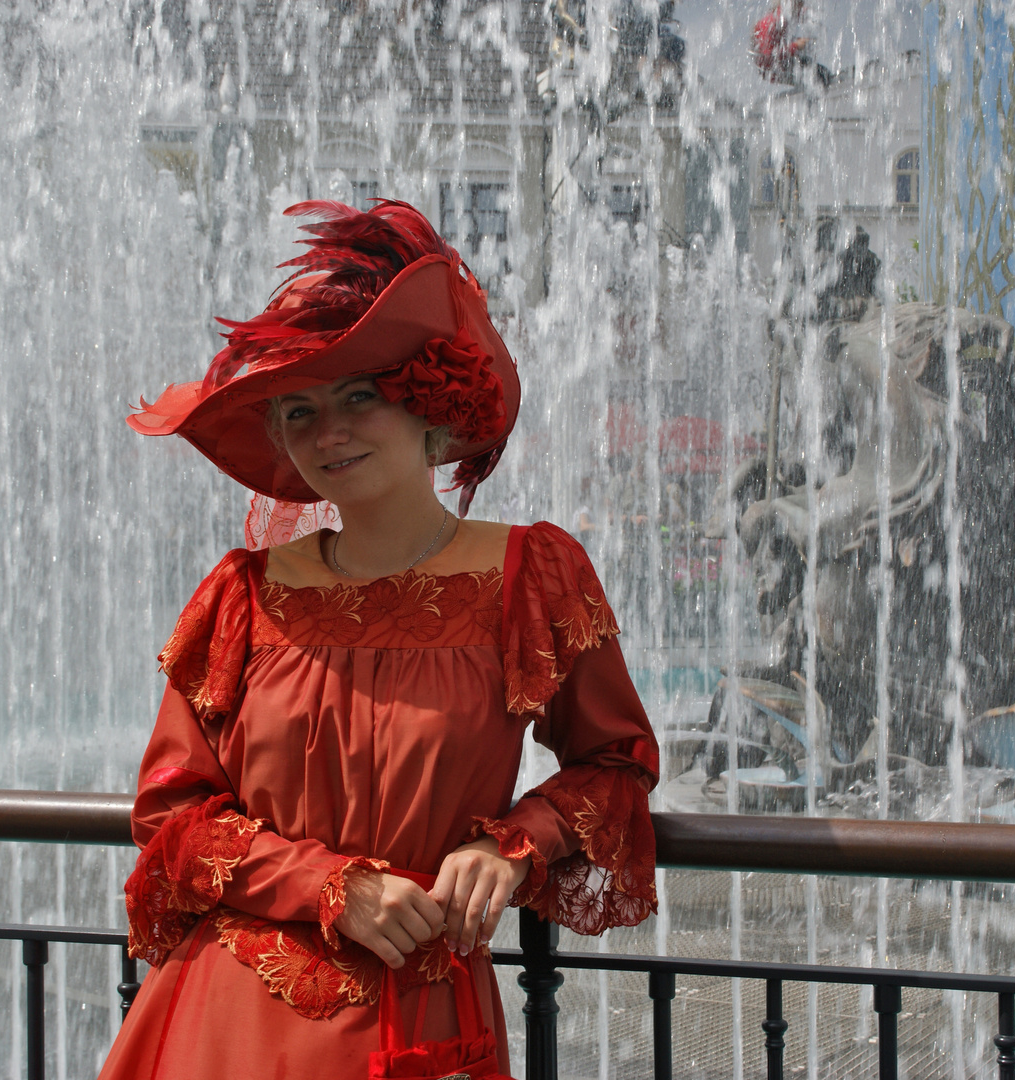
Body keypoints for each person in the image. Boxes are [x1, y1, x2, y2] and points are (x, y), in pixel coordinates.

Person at [100, 200, 659, 1077]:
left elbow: (615, 762)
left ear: (427, 404)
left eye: (360, 397)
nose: (328, 433)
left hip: (419, 1016)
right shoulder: (242, 597)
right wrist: (330, 887)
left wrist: (513, 842)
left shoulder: (531, 576)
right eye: (298, 411)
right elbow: (172, 820)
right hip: (227, 1025)